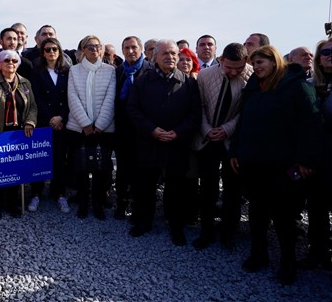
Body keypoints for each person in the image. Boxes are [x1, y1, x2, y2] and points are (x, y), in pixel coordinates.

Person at [230, 46, 323, 285]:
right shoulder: (253, 87)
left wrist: (306, 160)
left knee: (283, 217)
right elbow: (243, 123)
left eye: (262, 62)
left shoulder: (296, 85)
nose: (257, 66)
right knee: (257, 213)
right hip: (253, 163)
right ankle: (259, 254)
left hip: (283, 165)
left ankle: (288, 262)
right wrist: (235, 150)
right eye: (255, 63)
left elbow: (311, 124)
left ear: (275, 61)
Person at [127, 39, 200, 246]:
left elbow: (195, 114)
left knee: (176, 188)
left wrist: (177, 133)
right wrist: (152, 130)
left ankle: (176, 226)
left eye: (174, 54)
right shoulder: (142, 81)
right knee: (145, 185)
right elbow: (133, 109)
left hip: (176, 143)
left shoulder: (188, 82)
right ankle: (143, 222)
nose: (170, 57)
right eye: (165, 54)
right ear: (155, 57)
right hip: (149, 141)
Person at [191, 43, 253, 250]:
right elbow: (197, 106)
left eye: (239, 68)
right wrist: (207, 128)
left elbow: (247, 111)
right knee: (207, 188)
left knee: (232, 190)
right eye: (229, 68)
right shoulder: (205, 76)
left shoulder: (251, 76)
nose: (234, 72)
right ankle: (206, 231)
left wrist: (227, 128)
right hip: (207, 140)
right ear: (221, 60)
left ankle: (229, 233)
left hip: (232, 141)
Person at [0, 49, 37, 224]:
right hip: (0, 133)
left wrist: (30, 122)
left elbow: (33, 107)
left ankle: (13, 204)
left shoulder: (25, 83)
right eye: (7, 60)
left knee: (16, 171)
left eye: (14, 60)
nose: (11, 63)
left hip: (20, 133)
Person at [67, 36, 116, 219]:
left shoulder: (110, 70)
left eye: (98, 46)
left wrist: (100, 125)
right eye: (90, 46)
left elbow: (110, 99)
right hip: (79, 127)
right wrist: (86, 123)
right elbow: (72, 97)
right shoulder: (74, 70)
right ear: (83, 50)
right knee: (80, 167)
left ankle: (97, 202)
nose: (94, 49)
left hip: (103, 129)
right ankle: (83, 202)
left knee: (100, 169)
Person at [29, 38, 71, 214]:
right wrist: (50, 119)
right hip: (43, 121)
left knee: (60, 159)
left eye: (54, 49)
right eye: (47, 49)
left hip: (62, 122)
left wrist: (60, 117)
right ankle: (36, 193)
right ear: (43, 52)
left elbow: (70, 96)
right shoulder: (36, 71)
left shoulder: (67, 71)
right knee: (40, 159)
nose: (51, 52)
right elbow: (36, 97)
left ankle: (59, 193)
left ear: (59, 51)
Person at [300, 39, 332, 270]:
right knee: (316, 206)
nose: (330, 55)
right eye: (326, 52)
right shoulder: (309, 85)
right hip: (314, 158)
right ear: (319, 57)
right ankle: (317, 250)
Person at [113, 36, 151, 219]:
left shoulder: (150, 70)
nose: (130, 51)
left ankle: (138, 208)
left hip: (143, 130)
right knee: (122, 170)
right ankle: (121, 203)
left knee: (140, 172)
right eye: (126, 48)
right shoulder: (118, 71)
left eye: (134, 47)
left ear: (141, 48)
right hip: (122, 129)